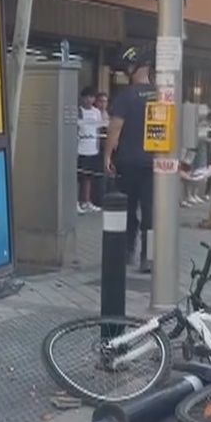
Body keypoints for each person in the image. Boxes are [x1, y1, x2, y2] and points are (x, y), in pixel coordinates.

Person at [104, 45, 158, 273]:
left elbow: (114, 130)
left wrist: (107, 155)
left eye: (128, 66)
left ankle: (127, 251)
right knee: (151, 213)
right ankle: (149, 257)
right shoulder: (160, 94)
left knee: (127, 210)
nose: (126, 70)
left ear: (137, 67)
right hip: (154, 163)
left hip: (128, 162)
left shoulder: (125, 96)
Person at [76, 86, 104, 213]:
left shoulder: (96, 112)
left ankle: (87, 201)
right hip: (80, 148)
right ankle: (77, 201)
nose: (89, 100)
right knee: (79, 176)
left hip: (92, 147)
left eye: (92, 97)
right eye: (87, 97)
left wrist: (97, 144)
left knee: (89, 176)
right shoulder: (78, 111)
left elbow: (98, 129)